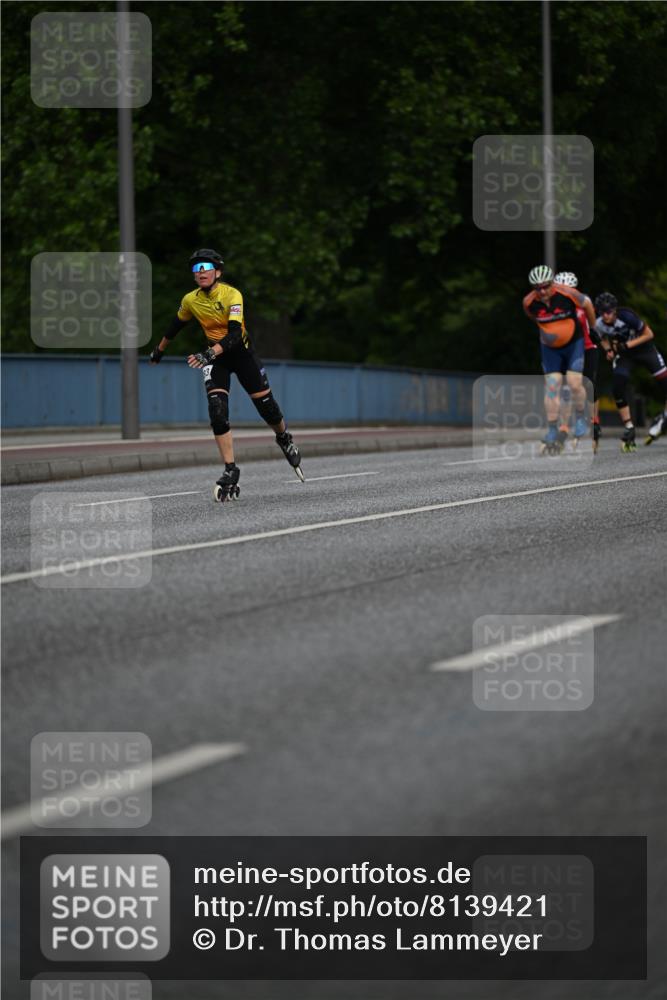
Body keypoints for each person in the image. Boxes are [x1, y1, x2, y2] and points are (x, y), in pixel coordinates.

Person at [149, 249, 304, 499]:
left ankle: (283, 437)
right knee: (217, 411)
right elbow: (175, 326)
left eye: (205, 267)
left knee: (268, 409)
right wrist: (159, 350)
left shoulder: (232, 294)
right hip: (216, 359)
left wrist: (209, 354)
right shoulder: (190, 300)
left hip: (241, 354)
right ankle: (230, 469)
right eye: (195, 268)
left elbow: (233, 335)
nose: (200, 272)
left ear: (217, 272)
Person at [523, 265, 597, 454]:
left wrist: (594, 329)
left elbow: (588, 304)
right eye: (537, 288)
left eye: (545, 286)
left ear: (552, 284)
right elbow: (533, 317)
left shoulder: (567, 293)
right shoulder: (529, 302)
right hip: (550, 349)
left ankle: (580, 416)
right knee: (552, 387)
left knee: (574, 383)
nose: (542, 291)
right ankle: (553, 429)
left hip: (574, 343)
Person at [594, 292, 667, 451]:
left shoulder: (627, 316)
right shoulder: (598, 323)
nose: (605, 316)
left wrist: (628, 345)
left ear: (615, 310)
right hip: (626, 355)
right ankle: (629, 427)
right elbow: (602, 339)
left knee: (664, 382)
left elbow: (649, 334)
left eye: (608, 312)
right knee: (618, 386)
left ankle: (664, 418)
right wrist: (608, 351)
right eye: (601, 312)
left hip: (645, 350)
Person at [554, 271, 601, 449]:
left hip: (588, 348)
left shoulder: (583, 302)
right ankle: (564, 427)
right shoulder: (556, 305)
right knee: (567, 388)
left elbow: (591, 324)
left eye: (569, 289)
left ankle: (594, 422)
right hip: (570, 350)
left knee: (589, 386)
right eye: (562, 289)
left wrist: (595, 332)